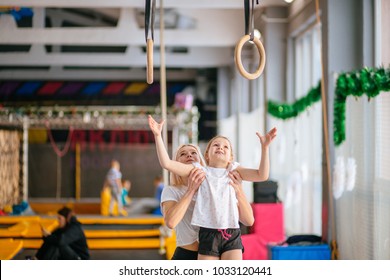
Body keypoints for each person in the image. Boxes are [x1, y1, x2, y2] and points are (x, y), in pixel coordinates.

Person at [148, 114, 277, 260]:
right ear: (207, 155)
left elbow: (261, 176)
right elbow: (167, 164)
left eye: (193, 153)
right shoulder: (184, 183)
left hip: (229, 233)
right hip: (194, 248)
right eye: (183, 154)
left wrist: (265, 148)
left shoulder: (230, 175)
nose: (189, 156)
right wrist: (158, 136)